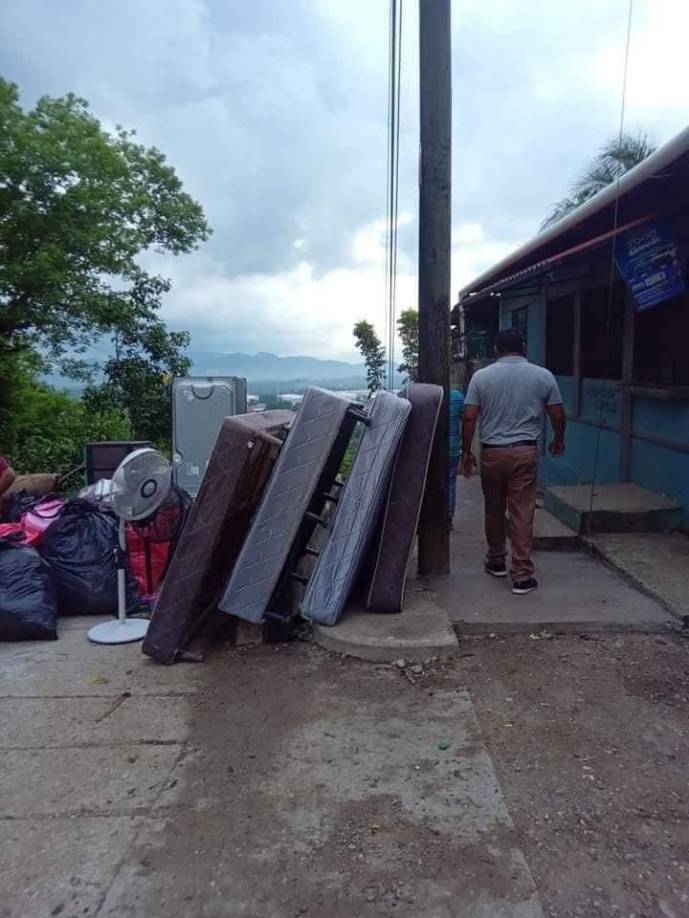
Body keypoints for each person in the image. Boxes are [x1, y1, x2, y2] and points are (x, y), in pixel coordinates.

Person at [460, 329, 566, 595]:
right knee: (522, 512)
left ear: (496, 349)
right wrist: (559, 439)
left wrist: (466, 452)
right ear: (524, 347)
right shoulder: (543, 376)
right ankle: (521, 575)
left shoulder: (481, 377)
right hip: (524, 453)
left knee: (494, 508)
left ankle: (496, 560)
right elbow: (557, 414)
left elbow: (469, 417)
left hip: (492, 454)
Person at [448, 388, 464, 526]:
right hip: (452, 448)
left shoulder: (426, 395)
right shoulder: (458, 397)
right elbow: (466, 420)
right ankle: (448, 517)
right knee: (450, 483)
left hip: (431, 450)